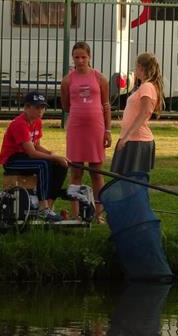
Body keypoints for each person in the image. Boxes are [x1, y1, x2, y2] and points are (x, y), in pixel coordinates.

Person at [0, 91, 69, 222]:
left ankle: (49, 205)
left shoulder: (37, 122)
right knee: (43, 164)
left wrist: (51, 154)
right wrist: (53, 157)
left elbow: (36, 145)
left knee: (61, 166)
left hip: (25, 156)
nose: (41, 111)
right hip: (12, 160)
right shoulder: (19, 124)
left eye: (43, 107)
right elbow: (32, 153)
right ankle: (43, 208)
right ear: (26, 107)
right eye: (37, 107)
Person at [60, 41, 111, 222]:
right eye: (77, 57)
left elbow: (106, 105)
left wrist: (108, 130)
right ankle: (76, 214)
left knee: (96, 172)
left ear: (89, 57)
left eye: (83, 57)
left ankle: (99, 213)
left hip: (96, 129)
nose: (80, 61)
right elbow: (66, 105)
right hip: (76, 129)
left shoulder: (100, 78)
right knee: (76, 173)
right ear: (72, 58)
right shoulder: (67, 80)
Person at [113, 52, 164, 176]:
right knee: (125, 178)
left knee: (132, 179)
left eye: (136, 67)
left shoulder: (147, 87)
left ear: (141, 67)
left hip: (137, 140)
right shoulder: (144, 86)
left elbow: (144, 112)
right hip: (132, 139)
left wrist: (127, 137)